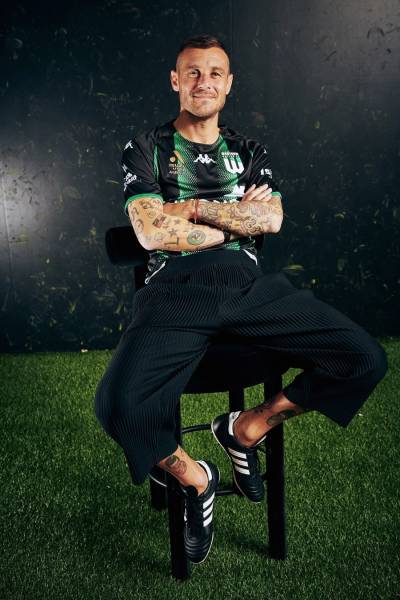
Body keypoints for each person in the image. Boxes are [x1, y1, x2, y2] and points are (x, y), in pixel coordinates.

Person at [95, 34, 387, 565]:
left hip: (250, 290)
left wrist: (190, 210)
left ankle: (246, 427)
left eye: (215, 73)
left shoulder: (249, 151)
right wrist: (233, 219)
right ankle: (196, 478)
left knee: (364, 358)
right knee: (117, 406)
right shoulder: (146, 147)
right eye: (192, 72)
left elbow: (270, 219)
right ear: (175, 80)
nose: (203, 82)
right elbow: (150, 232)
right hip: (173, 293)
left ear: (228, 84)